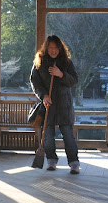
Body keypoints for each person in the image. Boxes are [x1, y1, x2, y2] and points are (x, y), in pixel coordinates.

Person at [30, 35, 80, 174]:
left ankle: (74, 163)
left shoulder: (66, 63)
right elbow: (35, 82)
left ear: (60, 48)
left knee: (68, 135)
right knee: (47, 136)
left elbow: (74, 80)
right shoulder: (39, 63)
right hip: (48, 105)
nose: (53, 50)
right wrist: (43, 96)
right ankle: (51, 160)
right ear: (46, 48)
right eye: (50, 47)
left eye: (56, 47)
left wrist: (61, 74)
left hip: (64, 105)